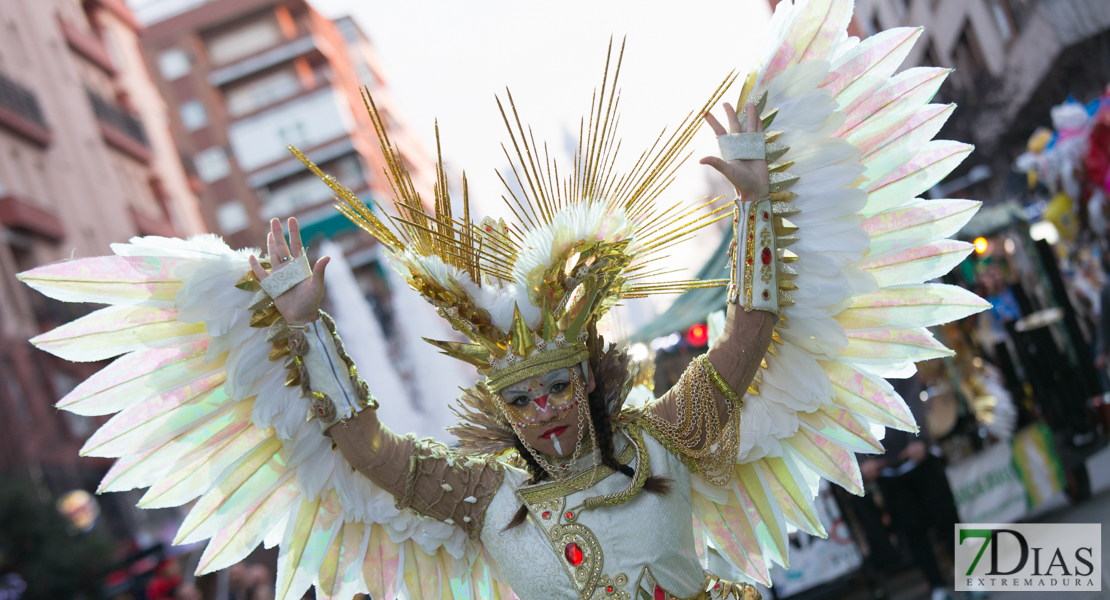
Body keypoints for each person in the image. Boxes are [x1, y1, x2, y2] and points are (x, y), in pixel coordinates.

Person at [20, 2, 986, 598]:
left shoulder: (666, 435)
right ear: (500, 409)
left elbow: (755, 327)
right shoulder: (479, 497)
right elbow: (362, 449)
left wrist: (762, 210)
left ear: (593, 379)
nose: (546, 412)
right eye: (524, 399)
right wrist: (309, 334)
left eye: (558, 387)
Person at [859, 378, 961, 600]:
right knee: (913, 533)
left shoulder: (888, 357)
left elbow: (911, 395)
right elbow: (846, 418)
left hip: (920, 458)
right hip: (887, 471)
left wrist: (918, 437)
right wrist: (860, 462)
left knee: (948, 520)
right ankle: (937, 585)